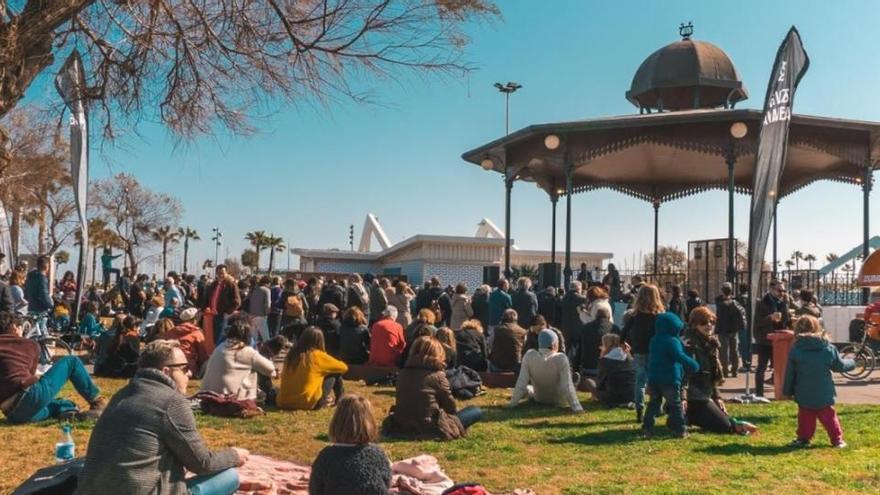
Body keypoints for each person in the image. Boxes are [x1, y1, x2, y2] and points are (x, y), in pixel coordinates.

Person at [77, 340, 246, 495]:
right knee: (230, 477)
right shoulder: (171, 402)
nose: (190, 374)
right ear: (166, 371)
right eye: (185, 368)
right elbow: (202, 463)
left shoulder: (122, 394)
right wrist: (234, 455)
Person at [0, 311, 106, 423]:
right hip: (28, 397)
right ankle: (97, 403)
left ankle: (67, 412)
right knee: (71, 361)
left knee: (59, 404)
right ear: (13, 327)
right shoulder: (29, 344)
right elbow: (31, 378)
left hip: (12, 415)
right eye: (20, 326)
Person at [383, 337, 483, 440]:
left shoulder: (402, 374)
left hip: (402, 425)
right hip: (430, 427)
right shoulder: (438, 376)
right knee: (475, 411)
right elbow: (450, 407)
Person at [683, 307, 757, 435]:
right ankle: (683, 416)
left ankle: (691, 417)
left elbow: (713, 375)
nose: (709, 325)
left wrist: (717, 397)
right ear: (694, 324)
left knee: (722, 417)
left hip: (705, 394)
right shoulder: (689, 344)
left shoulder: (711, 343)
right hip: (694, 396)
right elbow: (684, 374)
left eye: (711, 322)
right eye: (704, 323)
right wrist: (683, 398)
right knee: (724, 426)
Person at [784, 315, 855, 448]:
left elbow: (790, 373)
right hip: (824, 391)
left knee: (805, 417)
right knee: (829, 417)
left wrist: (787, 391)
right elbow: (838, 366)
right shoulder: (828, 348)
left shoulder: (796, 350)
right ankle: (837, 439)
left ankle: (803, 438)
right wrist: (852, 363)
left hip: (803, 391)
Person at [310, 393, 392, 495]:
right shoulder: (377, 454)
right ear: (370, 423)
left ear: (336, 422)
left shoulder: (326, 456)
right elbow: (387, 482)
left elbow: (315, 490)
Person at [642, 313, 699, 439]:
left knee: (653, 404)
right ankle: (680, 429)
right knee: (675, 405)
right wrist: (693, 365)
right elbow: (679, 356)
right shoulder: (672, 341)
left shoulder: (654, 339)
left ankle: (647, 427)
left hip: (654, 378)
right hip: (670, 378)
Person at [200, 317, 276, 400]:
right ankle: (264, 395)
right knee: (255, 369)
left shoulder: (220, 347)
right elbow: (270, 370)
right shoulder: (247, 350)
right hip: (229, 399)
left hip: (207, 398)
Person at [509, 329, 583, 413]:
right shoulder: (560, 358)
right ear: (554, 344)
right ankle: (575, 383)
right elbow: (567, 386)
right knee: (570, 383)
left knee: (528, 388)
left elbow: (521, 383)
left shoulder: (529, 356)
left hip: (539, 398)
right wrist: (577, 408)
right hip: (559, 400)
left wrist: (512, 404)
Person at [620, 284, 664, 422]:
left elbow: (624, 332)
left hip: (639, 350)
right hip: (655, 351)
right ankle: (657, 408)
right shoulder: (659, 316)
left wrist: (623, 343)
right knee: (656, 381)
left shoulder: (635, 315)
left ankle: (639, 408)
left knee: (640, 382)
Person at [277, 327, 348, 410]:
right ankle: (340, 399)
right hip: (307, 403)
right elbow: (344, 367)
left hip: (283, 401)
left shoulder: (291, 355)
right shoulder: (318, 356)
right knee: (335, 372)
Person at [754, 280, 790, 397]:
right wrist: (770, 318)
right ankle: (759, 394)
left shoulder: (783, 302)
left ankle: (781, 393)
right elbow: (757, 322)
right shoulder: (761, 303)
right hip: (765, 340)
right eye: (779, 290)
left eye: (784, 291)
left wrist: (789, 321)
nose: (782, 293)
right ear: (771, 289)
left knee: (780, 367)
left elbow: (785, 320)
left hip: (780, 340)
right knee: (762, 367)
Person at [581, 333, 635, 408]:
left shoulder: (605, 361)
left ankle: (596, 397)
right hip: (632, 396)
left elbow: (600, 383)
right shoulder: (629, 359)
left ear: (606, 345)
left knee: (589, 381)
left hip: (612, 397)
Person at [156, 307, 211, 376]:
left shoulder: (171, 332)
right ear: (194, 319)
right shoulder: (196, 333)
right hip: (189, 368)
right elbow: (203, 355)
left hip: (171, 367)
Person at [201, 265, 242, 345]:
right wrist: (202, 309)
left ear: (226, 273)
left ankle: (219, 355)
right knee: (215, 337)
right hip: (213, 314)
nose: (221, 275)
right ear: (216, 273)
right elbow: (207, 298)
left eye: (222, 273)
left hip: (223, 314)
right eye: (219, 273)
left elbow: (237, 302)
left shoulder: (231, 284)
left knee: (220, 338)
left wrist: (228, 312)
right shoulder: (213, 284)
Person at [576, 306, 619, 378]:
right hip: (608, 369)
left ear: (596, 316)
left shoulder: (586, 328)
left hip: (588, 368)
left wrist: (576, 368)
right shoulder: (615, 328)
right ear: (609, 317)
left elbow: (579, 350)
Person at [714, 282, 747, 377]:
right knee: (734, 351)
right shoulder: (735, 302)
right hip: (733, 329)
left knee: (724, 352)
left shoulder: (719, 302)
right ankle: (734, 371)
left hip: (722, 329)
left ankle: (724, 371)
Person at [488, 309, 527, 373]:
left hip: (497, 366)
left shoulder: (496, 329)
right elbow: (524, 348)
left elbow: (490, 344)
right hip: (515, 366)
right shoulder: (523, 332)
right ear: (516, 319)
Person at [24, 256, 53, 337]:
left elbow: (25, 294)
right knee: (42, 336)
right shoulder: (42, 278)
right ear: (47, 266)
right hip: (40, 310)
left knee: (34, 334)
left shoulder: (30, 277)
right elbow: (43, 294)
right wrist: (51, 304)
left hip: (31, 307)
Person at [560, 281, 587, 352]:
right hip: (578, 327)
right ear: (579, 288)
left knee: (567, 348)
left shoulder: (564, 298)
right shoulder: (582, 299)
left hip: (565, 326)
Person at [245, 275, 272, 344]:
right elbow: (268, 304)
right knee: (266, 337)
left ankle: (253, 351)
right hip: (261, 316)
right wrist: (267, 313)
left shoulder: (253, 289)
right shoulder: (266, 290)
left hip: (251, 315)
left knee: (253, 338)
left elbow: (246, 300)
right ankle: (268, 353)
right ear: (267, 283)